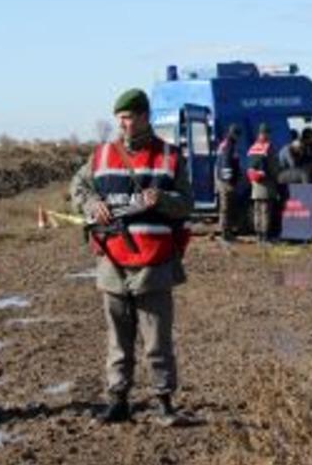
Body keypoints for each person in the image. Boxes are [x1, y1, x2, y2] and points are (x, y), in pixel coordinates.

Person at [69, 88, 194, 426]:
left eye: (129, 117)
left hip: (154, 264)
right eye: (119, 118)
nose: (124, 124)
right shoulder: (102, 155)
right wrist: (91, 204)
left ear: (144, 116)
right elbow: (77, 188)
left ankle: (164, 402)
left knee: (157, 340)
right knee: (118, 340)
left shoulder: (170, 157)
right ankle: (118, 401)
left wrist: (163, 200)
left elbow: (187, 204)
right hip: (112, 261)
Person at [246, 124, 279, 244]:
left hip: (255, 183)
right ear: (266, 134)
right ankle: (265, 237)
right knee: (265, 210)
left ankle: (258, 236)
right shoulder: (268, 148)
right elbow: (273, 167)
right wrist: (277, 178)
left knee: (257, 210)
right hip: (266, 183)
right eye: (268, 133)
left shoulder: (253, 147)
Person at [215, 124, 241, 243]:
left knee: (226, 208)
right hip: (225, 182)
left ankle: (227, 233)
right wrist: (229, 181)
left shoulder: (225, 143)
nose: (238, 138)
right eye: (237, 135)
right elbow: (226, 164)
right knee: (226, 208)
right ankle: (225, 235)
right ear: (234, 134)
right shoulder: (229, 145)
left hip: (222, 180)